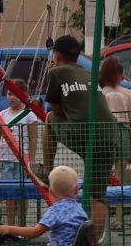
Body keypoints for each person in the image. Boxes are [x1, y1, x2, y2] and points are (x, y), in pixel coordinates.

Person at [44, 35, 114, 191]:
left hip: (84, 134)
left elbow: (57, 112)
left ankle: (47, 172)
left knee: (49, 119)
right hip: (110, 135)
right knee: (97, 194)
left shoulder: (57, 72)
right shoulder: (90, 75)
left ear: (57, 55)